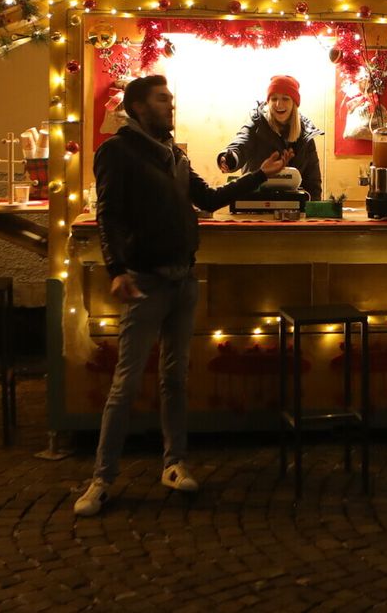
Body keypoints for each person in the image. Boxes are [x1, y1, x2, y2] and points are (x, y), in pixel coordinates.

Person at [76, 75, 287, 517]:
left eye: (171, 99)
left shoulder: (173, 154)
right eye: (162, 99)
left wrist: (259, 176)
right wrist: (117, 269)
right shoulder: (117, 151)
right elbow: (108, 215)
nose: (170, 105)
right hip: (145, 281)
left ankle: (174, 463)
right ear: (137, 107)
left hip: (183, 279)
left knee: (175, 379)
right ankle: (102, 479)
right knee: (126, 383)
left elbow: (207, 199)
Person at [216, 74, 322, 200]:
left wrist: (313, 208)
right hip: (254, 202)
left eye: (285, 99)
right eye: (274, 98)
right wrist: (229, 159)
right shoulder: (256, 123)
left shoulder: (306, 133)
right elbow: (241, 144)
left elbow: (313, 181)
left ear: (294, 103)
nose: (279, 104)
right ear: (268, 101)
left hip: (292, 207)